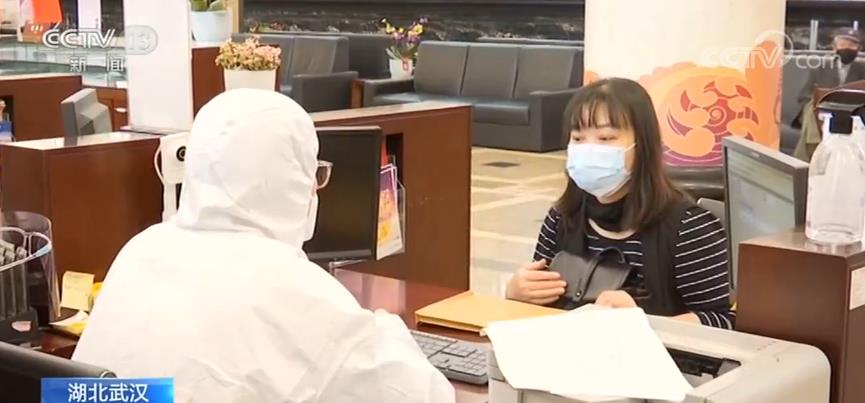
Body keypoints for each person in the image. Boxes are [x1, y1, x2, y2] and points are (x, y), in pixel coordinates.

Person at [73, 89, 454, 403]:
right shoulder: (290, 285)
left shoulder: (142, 249)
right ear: (290, 180)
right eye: (312, 173)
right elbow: (422, 395)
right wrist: (384, 329)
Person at [505, 78, 734, 329]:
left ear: (642, 144)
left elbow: (725, 321)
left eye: (605, 138)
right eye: (578, 138)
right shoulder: (561, 216)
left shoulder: (690, 228)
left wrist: (644, 323)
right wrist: (516, 293)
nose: (589, 150)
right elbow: (538, 307)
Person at [794, 28, 865, 160]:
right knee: (811, 110)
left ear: (858, 49)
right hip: (820, 114)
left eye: (851, 45)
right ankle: (814, 146)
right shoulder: (820, 69)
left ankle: (808, 157)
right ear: (834, 47)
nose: (847, 48)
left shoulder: (863, 70)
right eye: (843, 44)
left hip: (854, 115)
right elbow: (803, 97)